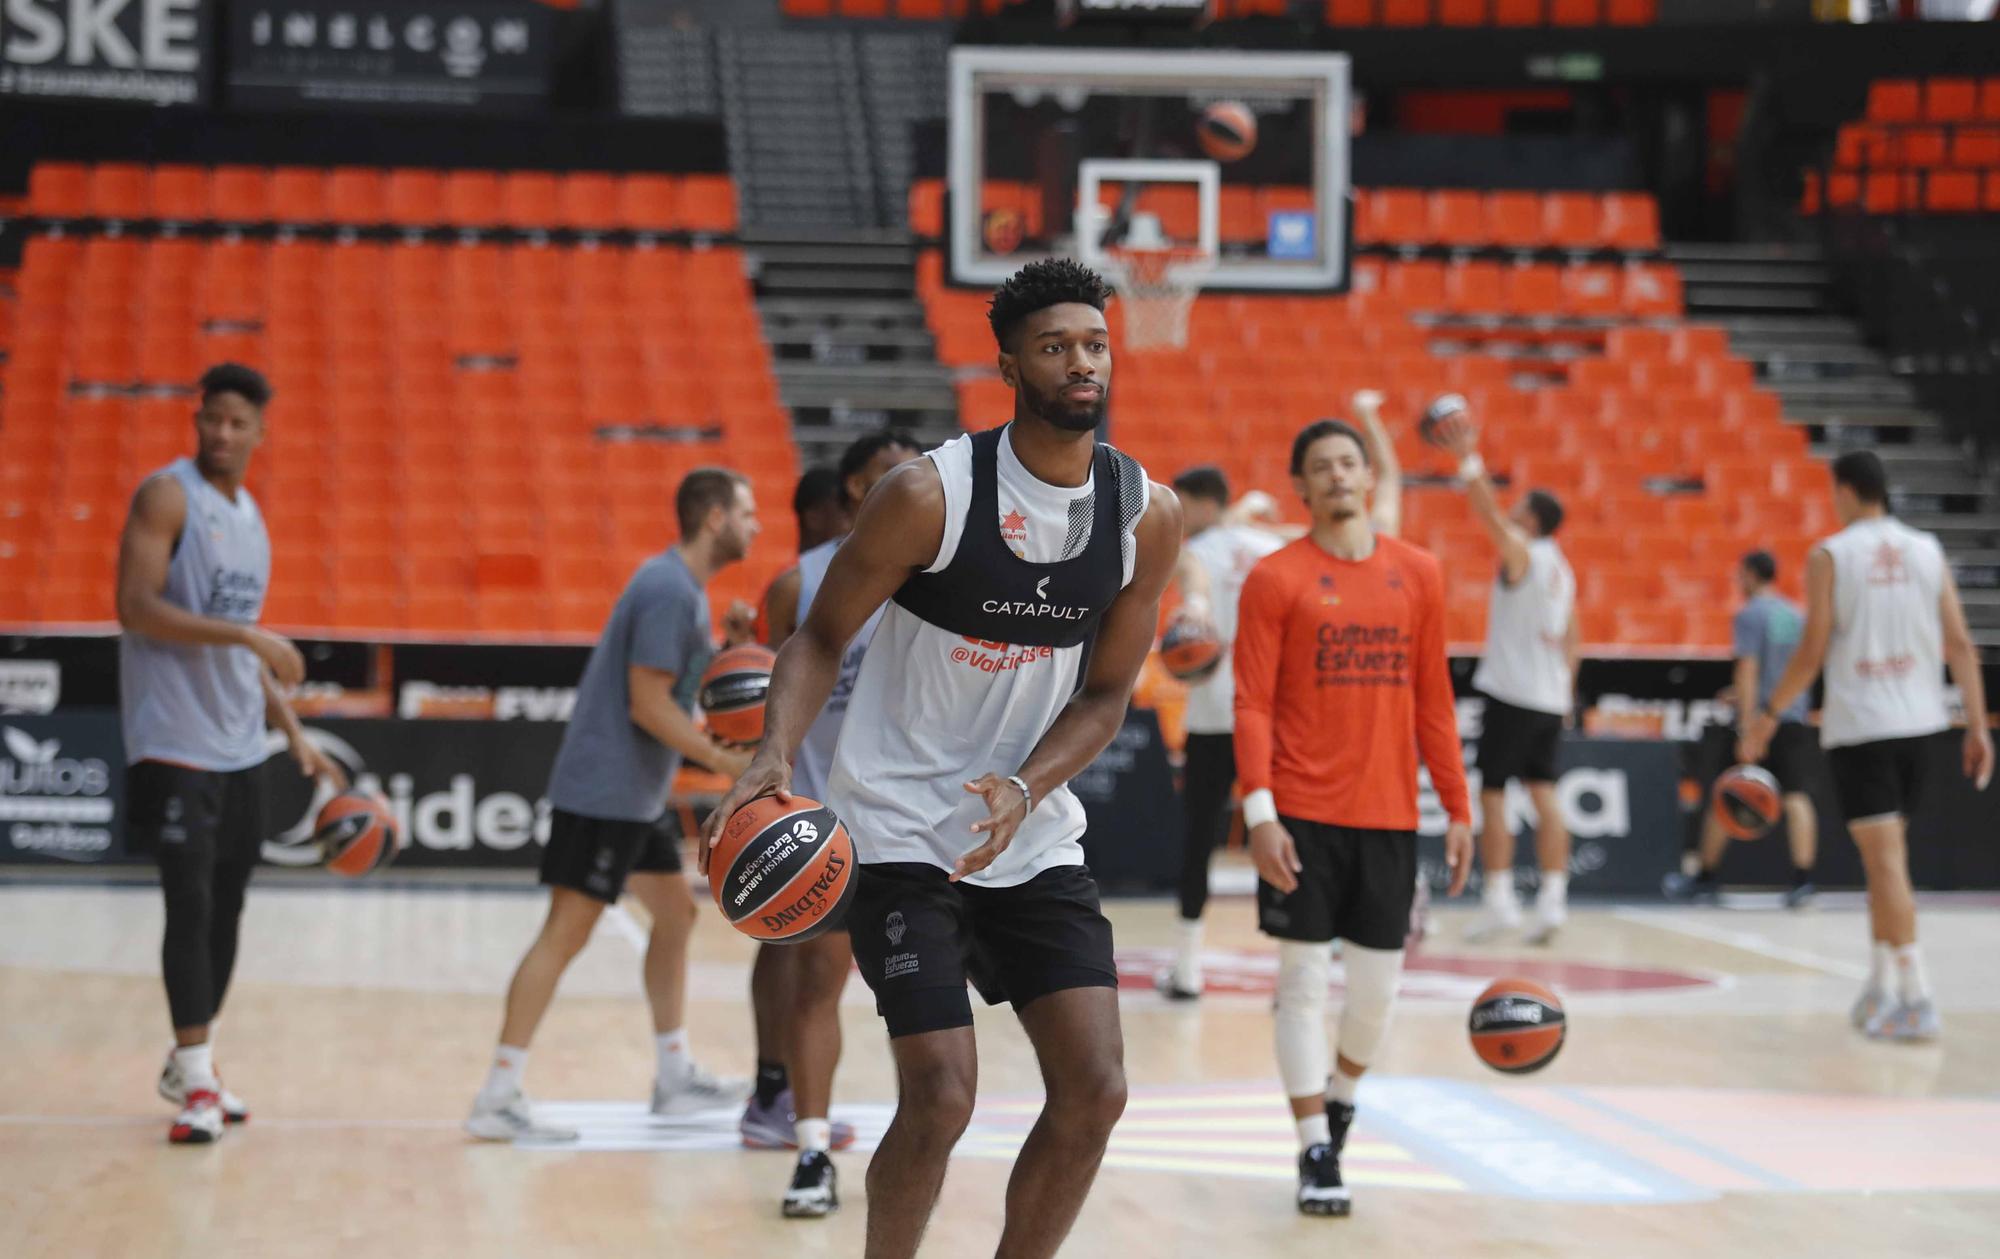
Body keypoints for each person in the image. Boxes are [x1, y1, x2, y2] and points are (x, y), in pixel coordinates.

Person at [704, 258, 1180, 1259]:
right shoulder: (928, 493)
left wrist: (1023, 784)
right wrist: (772, 754)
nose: (1080, 362)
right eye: (1055, 345)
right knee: (940, 1090)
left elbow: (1104, 695)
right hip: (894, 828)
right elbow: (818, 638)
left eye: (1093, 342)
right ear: (1009, 362)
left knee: (1095, 1089)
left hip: (1027, 831)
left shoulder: (1145, 514)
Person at [466, 468, 760, 1141]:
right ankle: (498, 1093)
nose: (756, 524)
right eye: (746, 512)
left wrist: (730, 643)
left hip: (637, 792)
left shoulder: (682, 592)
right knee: (565, 932)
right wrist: (721, 761)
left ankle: (674, 1075)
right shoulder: (666, 589)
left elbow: (682, 683)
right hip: (607, 790)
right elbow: (648, 701)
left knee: (676, 915)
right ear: (714, 518)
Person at [1233, 418, 1473, 1218]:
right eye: (1320, 467)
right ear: (1300, 487)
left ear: (1369, 475)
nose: (1337, 476)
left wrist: (1458, 804)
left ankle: (1339, 1099)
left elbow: (1434, 701)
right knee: (1300, 983)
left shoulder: (1420, 573)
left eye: (1348, 462)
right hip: (1301, 812)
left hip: (1390, 817)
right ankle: (1312, 1146)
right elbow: (1252, 705)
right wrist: (1260, 810)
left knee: (1377, 993)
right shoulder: (1274, 577)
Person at [116, 363, 346, 1145]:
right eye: (209, 418)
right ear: (197, 420)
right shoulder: (166, 495)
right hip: (174, 741)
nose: (220, 433)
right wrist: (248, 633)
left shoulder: (249, 518)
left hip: (239, 743)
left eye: (236, 422)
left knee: (230, 905)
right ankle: (198, 1074)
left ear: (259, 432)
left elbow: (241, 657)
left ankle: (196, 1060)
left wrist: (295, 733)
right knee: (191, 903)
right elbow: (137, 607)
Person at [1744, 451, 1992, 1042]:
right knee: (1886, 867)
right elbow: (1959, 643)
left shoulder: (1831, 555)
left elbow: (1812, 649)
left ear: (1847, 491)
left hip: (1864, 726)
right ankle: (1882, 982)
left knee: (1885, 865)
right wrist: (1978, 725)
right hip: (1923, 725)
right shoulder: (1928, 549)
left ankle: (1918, 993)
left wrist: (1769, 716)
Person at [743, 429, 922, 1216]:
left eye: (913, 475)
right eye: (888, 476)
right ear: (854, 488)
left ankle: (916, 1146)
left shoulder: (939, 578)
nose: (904, 488)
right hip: (822, 821)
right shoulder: (797, 585)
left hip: (917, 823)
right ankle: (810, 1148)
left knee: (924, 1004)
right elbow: (763, 689)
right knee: (817, 987)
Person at [1434, 410, 1578, 945]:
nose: (1511, 514)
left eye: (1519, 510)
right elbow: (1574, 637)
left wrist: (1468, 459)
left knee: (1494, 795)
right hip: (1548, 698)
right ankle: (1554, 902)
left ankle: (1499, 900)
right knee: (1546, 795)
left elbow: (1488, 517)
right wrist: (1566, 689)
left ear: (1533, 520)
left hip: (1514, 695)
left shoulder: (1527, 553)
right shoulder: (1563, 568)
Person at [1664, 550, 1822, 908]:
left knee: (1726, 795)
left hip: (1761, 720)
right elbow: (1796, 668)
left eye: (1740, 576)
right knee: (1796, 797)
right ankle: (1804, 880)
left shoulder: (1750, 615)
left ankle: (1704, 877)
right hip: (1794, 716)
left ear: (1751, 575)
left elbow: (1749, 670)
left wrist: (1748, 725)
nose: (1738, 583)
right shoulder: (1794, 615)